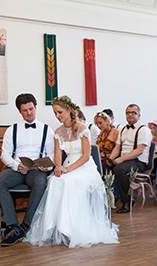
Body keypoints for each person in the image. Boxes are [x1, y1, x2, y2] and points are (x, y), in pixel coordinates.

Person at [24, 96, 119, 248]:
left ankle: (69, 230)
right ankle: (53, 229)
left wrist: (67, 169)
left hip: (84, 167)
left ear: (69, 110)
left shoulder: (82, 129)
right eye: (55, 113)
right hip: (66, 165)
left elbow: (86, 156)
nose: (57, 116)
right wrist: (57, 167)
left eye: (59, 112)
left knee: (68, 182)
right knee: (55, 181)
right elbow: (57, 155)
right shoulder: (58, 132)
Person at [0, 93, 55, 247]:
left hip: (37, 170)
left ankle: (25, 226)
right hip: (16, 168)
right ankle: (13, 225)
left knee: (41, 183)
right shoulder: (11, 130)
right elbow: (4, 154)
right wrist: (17, 166)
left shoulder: (47, 130)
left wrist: (47, 166)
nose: (29, 113)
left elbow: (53, 154)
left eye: (31, 109)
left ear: (35, 107)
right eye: (25, 110)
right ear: (19, 111)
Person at [103, 104, 152, 213]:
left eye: (133, 112)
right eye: (127, 112)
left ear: (139, 115)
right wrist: (111, 158)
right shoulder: (123, 129)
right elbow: (118, 147)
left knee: (119, 169)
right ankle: (114, 196)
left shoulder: (144, 130)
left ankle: (127, 201)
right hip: (125, 160)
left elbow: (139, 150)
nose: (130, 115)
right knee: (104, 166)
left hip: (138, 162)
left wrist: (121, 159)